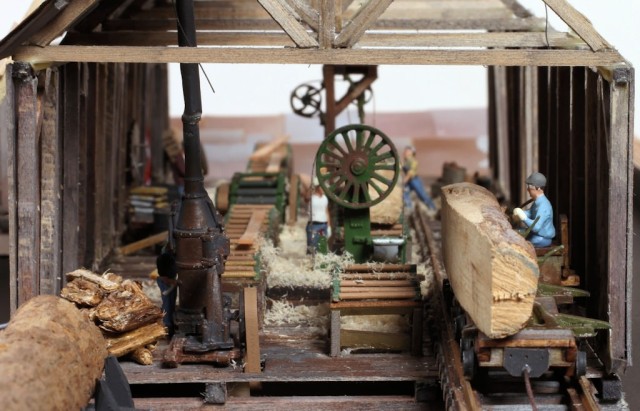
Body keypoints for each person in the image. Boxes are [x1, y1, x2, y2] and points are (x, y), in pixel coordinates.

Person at [513, 172, 556, 247]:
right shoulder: (537, 202)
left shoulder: (543, 206)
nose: (527, 189)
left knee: (519, 242)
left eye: (529, 187)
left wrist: (523, 217)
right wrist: (519, 213)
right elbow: (530, 213)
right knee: (516, 232)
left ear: (538, 188)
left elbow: (536, 227)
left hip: (542, 238)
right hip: (535, 234)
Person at [402, 145, 436, 210]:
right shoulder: (406, 161)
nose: (405, 152)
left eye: (407, 151)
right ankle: (409, 207)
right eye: (405, 151)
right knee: (404, 192)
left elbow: (410, 173)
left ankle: (433, 208)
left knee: (422, 195)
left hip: (414, 181)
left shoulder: (413, 161)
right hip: (409, 182)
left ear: (411, 153)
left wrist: (405, 180)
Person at [156, 245, 178, 336]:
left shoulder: (169, 255)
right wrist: (173, 281)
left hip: (169, 280)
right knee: (167, 304)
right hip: (166, 281)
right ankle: (167, 326)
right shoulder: (165, 258)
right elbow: (164, 277)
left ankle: (169, 324)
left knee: (170, 303)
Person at [306, 176, 331, 254]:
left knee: (322, 247)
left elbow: (326, 212)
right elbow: (306, 196)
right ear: (318, 187)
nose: (324, 189)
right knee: (312, 247)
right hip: (314, 225)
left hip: (323, 225)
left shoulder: (324, 198)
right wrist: (313, 184)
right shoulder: (311, 197)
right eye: (322, 187)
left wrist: (329, 226)